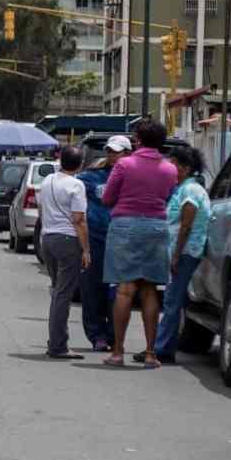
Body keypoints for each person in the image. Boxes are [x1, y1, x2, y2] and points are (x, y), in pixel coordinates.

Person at [102, 119, 179, 369]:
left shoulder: (125, 164)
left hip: (125, 226)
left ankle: (117, 352)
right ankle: (149, 354)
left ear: (138, 140)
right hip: (157, 227)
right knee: (149, 290)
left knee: (125, 289)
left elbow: (107, 198)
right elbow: (168, 197)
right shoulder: (169, 169)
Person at [146, 146, 210, 364]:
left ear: (183, 168)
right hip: (179, 251)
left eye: (172, 164)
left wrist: (176, 255)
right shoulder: (182, 188)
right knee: (173, 300)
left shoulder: (191, 190)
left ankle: (161, 349)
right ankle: (162, 346)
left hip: (185, 252)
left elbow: (186, 225)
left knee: (172, 301)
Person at [37, 146, 91, 359]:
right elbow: (79, 220)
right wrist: (86, 250)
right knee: (63, 294)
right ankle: (58, 345)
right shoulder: (77, 185)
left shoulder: (47, 180)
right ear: (79, 165)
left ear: (60, 161)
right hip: (68, 240)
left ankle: (56, 341)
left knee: (57, 291)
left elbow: (41, 210)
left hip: (47, 239)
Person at [76, 136, 130, 350]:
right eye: (109, 151)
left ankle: (114, 335)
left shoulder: (133, 177)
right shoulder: (92, 176)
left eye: (116, 152)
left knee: (118, 291)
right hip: (96, 239)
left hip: (123, 239)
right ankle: (97, 335)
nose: (111, 155)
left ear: (128, 153)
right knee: (92, 289)